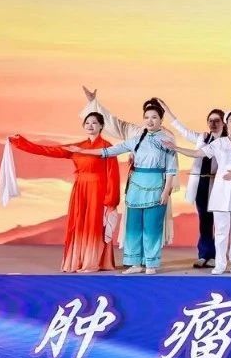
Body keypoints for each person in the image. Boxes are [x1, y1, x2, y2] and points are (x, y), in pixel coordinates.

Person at [68, 99, 178, 274]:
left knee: (152, 226)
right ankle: (135, 263)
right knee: (133, 226)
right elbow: (109, 151)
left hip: (156, 185)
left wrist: (166, 191)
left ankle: (150, 263)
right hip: (135, 186)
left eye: (154, 117)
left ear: (161, 119)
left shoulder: (166, 139)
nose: (150, 121)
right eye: (147, 117)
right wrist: (83, 151)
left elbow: (172, 168)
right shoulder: (137, 138)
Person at [8, 112, 119, 273]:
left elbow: (113, 174)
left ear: (101, 126)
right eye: (87, 123)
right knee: (79, 224)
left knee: (94, 224)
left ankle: (93, 262)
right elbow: (48, 150)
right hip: (80, 189)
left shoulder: (107, 147)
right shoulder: (77, 147)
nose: (90, 125)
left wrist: (111, 200)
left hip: (98, 190)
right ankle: (77, 261)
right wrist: (21, 143)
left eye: (94, 123)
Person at [162, 110, 231, 275]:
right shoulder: (219, 143)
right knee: (221, 230)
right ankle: (220, 264)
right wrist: (176, 148)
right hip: (221, 189)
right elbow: (198, 153)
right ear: (227, 123)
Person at [157, 100, 226, 269]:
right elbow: (183, 130)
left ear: (223, 123)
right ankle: (204, 254)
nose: (213, 123)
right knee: (204, 220)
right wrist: (168, 112)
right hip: (201, 183)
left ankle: (216, 256)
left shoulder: (227, 141)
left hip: (218, 184)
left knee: (219, 221)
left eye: (217, 120)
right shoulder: (202, 137)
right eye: (210, 120)